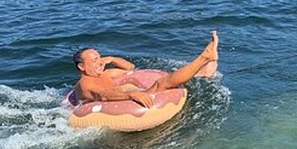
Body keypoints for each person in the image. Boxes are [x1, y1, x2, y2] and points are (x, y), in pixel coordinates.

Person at [73, 31, 219, 110]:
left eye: (99, 58)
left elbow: (130, 68)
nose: (99, 62)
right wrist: (131, 94)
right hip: (115, 105)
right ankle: (204, 58)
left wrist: (111, 59)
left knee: (161, 80)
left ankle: (201, 72)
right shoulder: (86, 83)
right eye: (94, 60)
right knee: (162, 83)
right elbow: (104, 95)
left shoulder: (105, 74)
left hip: (123, 97)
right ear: (81, 67)